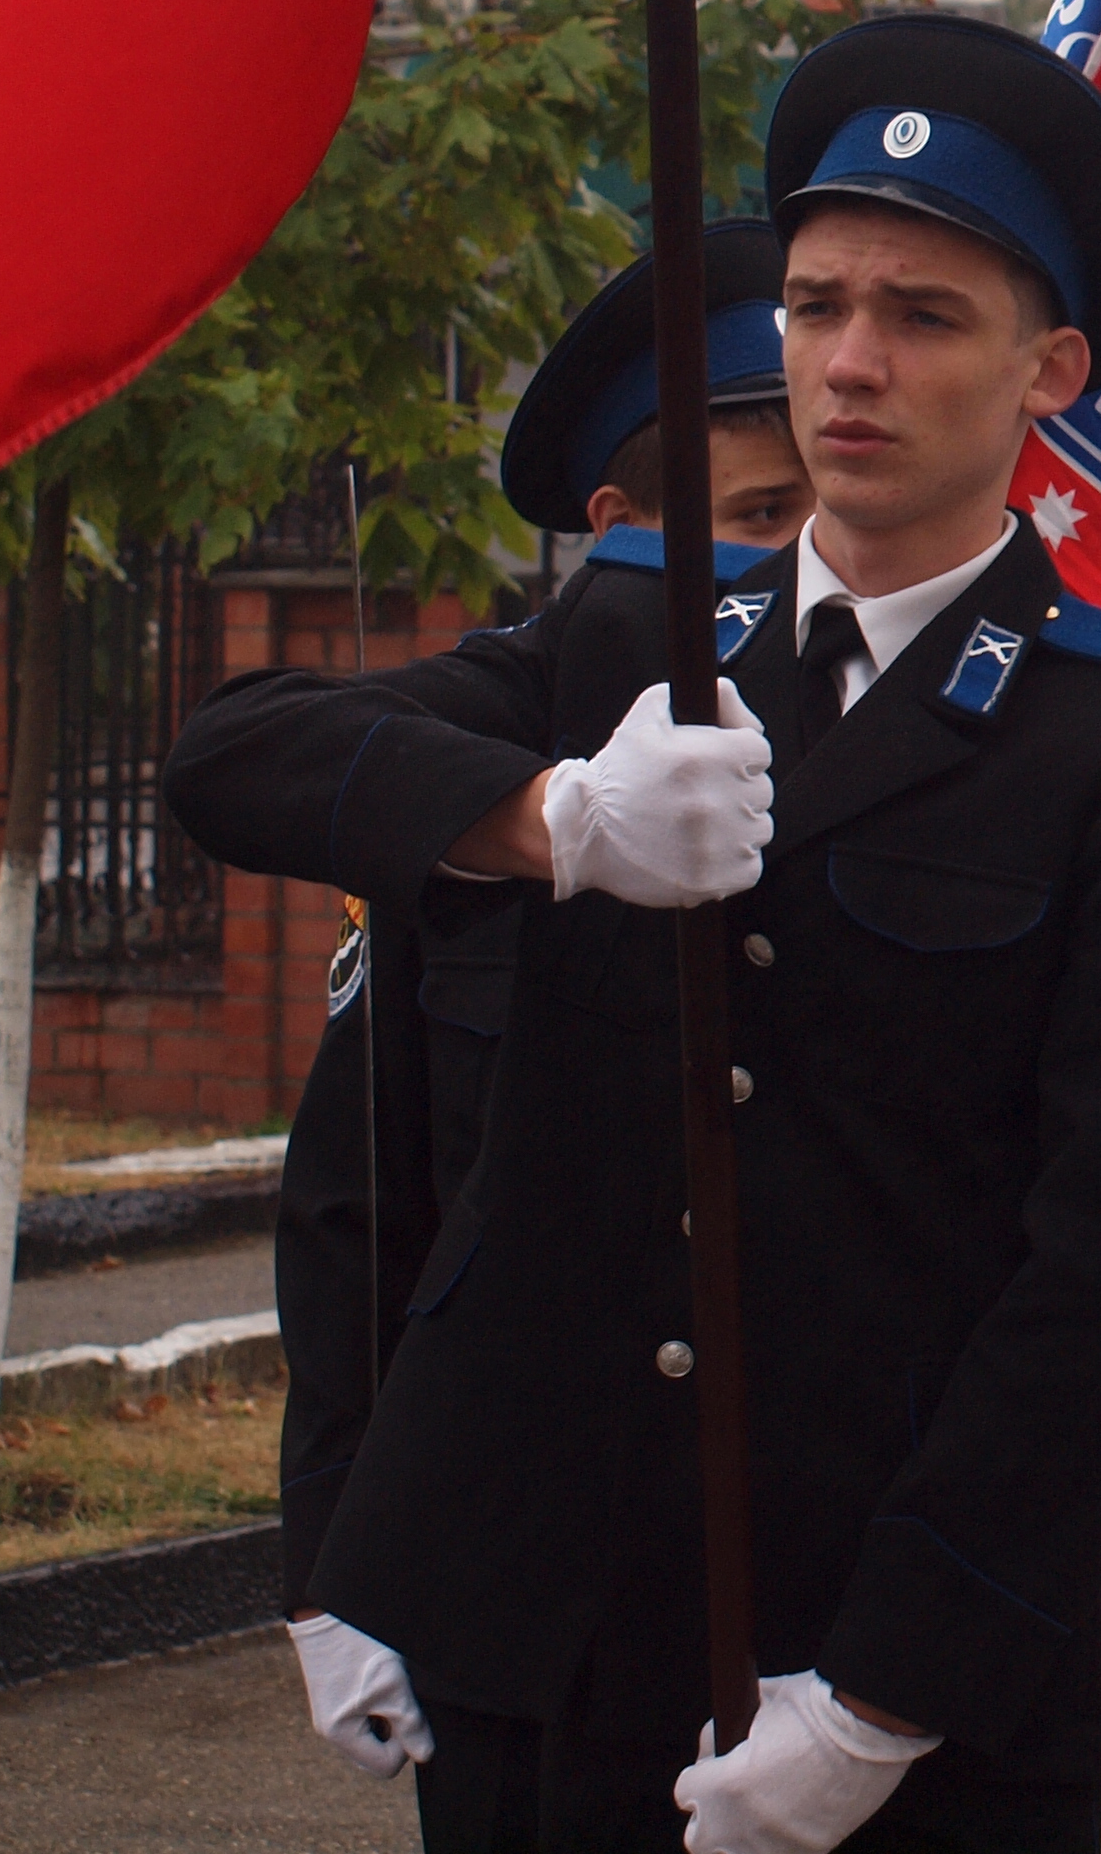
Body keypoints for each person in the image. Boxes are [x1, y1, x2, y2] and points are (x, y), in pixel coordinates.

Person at [168, 12, 1101, 1854]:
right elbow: (236, 754)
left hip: (901, 1678)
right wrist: (548, 819)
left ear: (1047, 365)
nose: (850, 359)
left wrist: (886, 1688)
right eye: (819, 301)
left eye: (922, 314)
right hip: (559, 1632)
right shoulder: (626, 644)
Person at [275, 219, 808, 1799]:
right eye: (760, 516)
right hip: (528, 1582)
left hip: (805, 1570)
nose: (796, 559)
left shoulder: (883, 742)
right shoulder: (497, 752)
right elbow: (363, 1208)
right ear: (621, 526)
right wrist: (332, 1565)